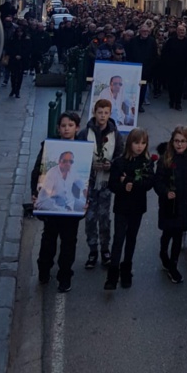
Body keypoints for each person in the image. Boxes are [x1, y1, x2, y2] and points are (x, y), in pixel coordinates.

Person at [31, 112, 86, 293]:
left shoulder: (81, 153)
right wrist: (34, 194)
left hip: (70, 213)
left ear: (76, 128)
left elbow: (83, 183)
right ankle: (44, 270)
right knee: (48, 241)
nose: (66, 128)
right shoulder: (49, 152)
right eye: (63, 125)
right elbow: (37, 172)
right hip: (52, 209)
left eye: (70, 125)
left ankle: (64, 277)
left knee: (69, 244)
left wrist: (86, 199)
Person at [105, 128, 155, 290]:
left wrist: (129, 180)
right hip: (122, 206)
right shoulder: (119, 162)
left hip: (137, 207)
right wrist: (123, 185)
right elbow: (112, 185)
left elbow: (148, 184)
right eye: (136, 143)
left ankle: (126, 269)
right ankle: (112, 274)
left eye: (143, 143)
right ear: (129, 143)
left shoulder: (146, 162)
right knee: (118, 239)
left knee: (131, 238)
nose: (139, 147)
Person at [78, 98, 124, 268]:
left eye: (106, 113)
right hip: (89, 182)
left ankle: (105, 248)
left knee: (104, 217)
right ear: (94, 113)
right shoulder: (84, 133)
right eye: (100, 112)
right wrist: (91, 166)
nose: (103, 116)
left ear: (110, 114)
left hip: (105, 182)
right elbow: (79, 154)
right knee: (90, 217)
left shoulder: (115, 134)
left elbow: (120, 155)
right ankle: (92, 250)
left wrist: (110, 165)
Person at [153, 126, 187, 284]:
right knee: (167, 233)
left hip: (184, 204)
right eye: (177, 141)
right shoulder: (166, 159)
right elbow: (157, 181)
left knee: (179, 235)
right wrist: (165, 192)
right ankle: (163, 253)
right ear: (172, 142)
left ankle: (173, 265)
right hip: (169, 204)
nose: (180, 145)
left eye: (183, 141)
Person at [161, 23, 187, 110]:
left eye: (183, 31)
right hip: (171, 67)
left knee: (180, 86)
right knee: (171, 85)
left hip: (182, 68)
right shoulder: (171, 41)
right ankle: (172, 101)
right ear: (177, 32)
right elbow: (165, 53)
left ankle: (178, 103)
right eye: (180, 30)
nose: (181, 32)